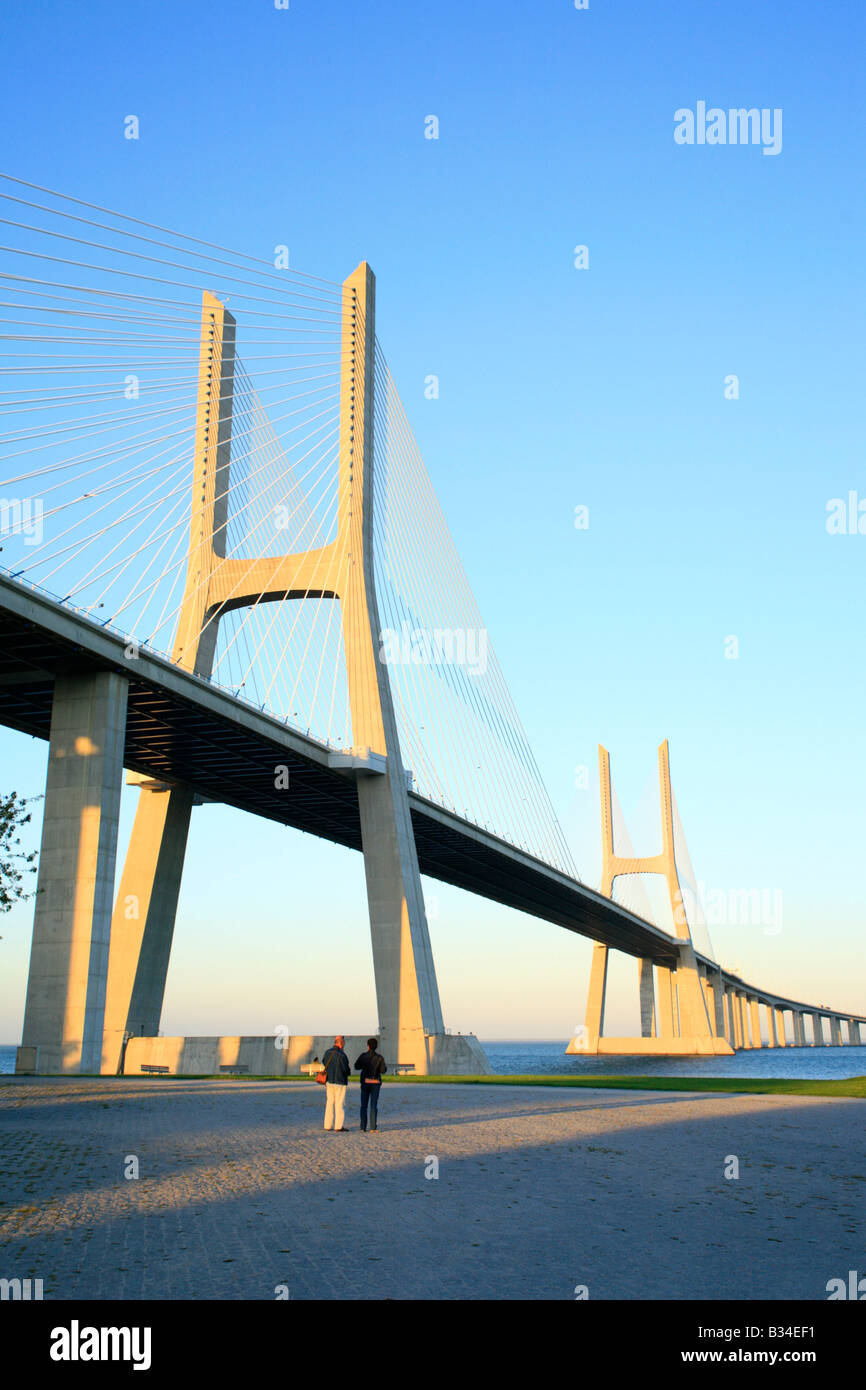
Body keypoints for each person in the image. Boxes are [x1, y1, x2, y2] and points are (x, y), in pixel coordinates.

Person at [354, 1037, 387, 1132]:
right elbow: (383, 1070)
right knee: (373, 1105)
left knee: (363, 1105)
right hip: (375, 1082)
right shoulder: (380, 1057)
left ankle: (363, 1127)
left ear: (368, 1046)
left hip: (365, 1082)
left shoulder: (363, 1056)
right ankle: (373, 1127)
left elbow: (356, 1066)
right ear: (376, 1046)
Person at [321, 1034, 350, 1132]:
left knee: (329, 1103)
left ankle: (327, 1125)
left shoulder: (327, 1052)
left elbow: (324, 1062)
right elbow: (346, 1069)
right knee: (339, 1104)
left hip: (329, 1081)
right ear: (341, 1044)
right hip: (340, 1081)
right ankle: (338, 1126)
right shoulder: (342, 1055)